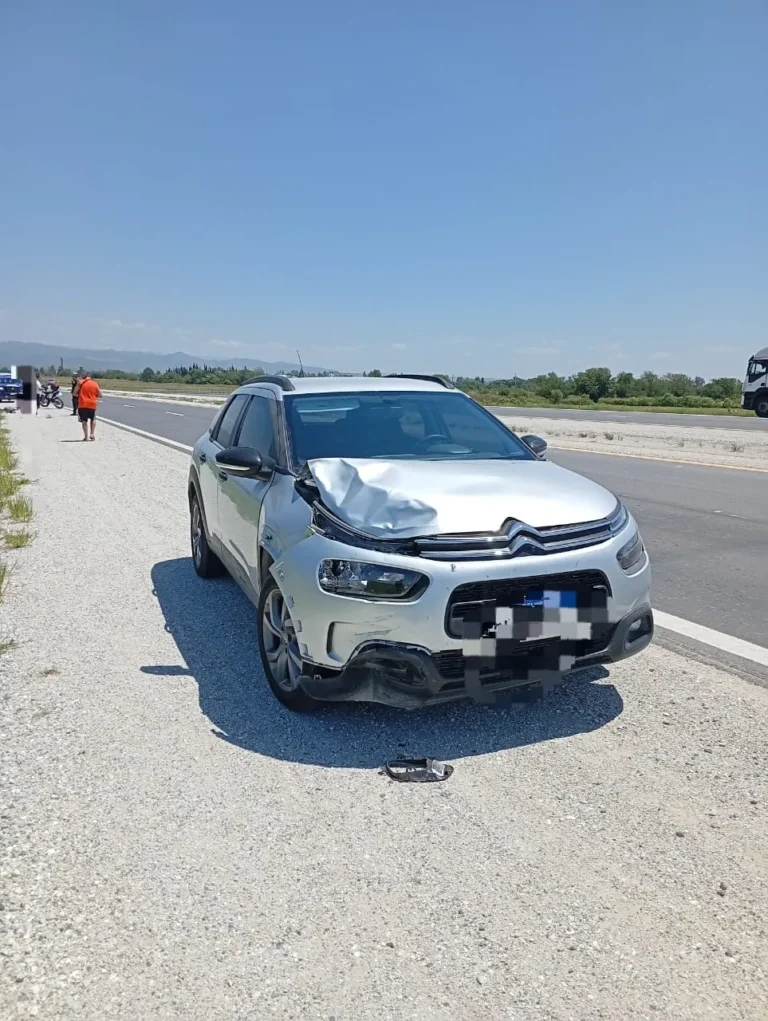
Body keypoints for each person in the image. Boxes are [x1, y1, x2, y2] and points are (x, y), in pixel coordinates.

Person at [75, 373, 102, 441]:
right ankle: (92, 434)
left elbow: (74, 393)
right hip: (92, 403)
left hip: (83, 404)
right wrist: (93, 395)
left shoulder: (80, 383)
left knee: (84, 421)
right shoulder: (95, 383)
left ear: (83, 377)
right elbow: (100, 395)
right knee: (93, 418)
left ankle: (86, 437)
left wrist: (80, 394)